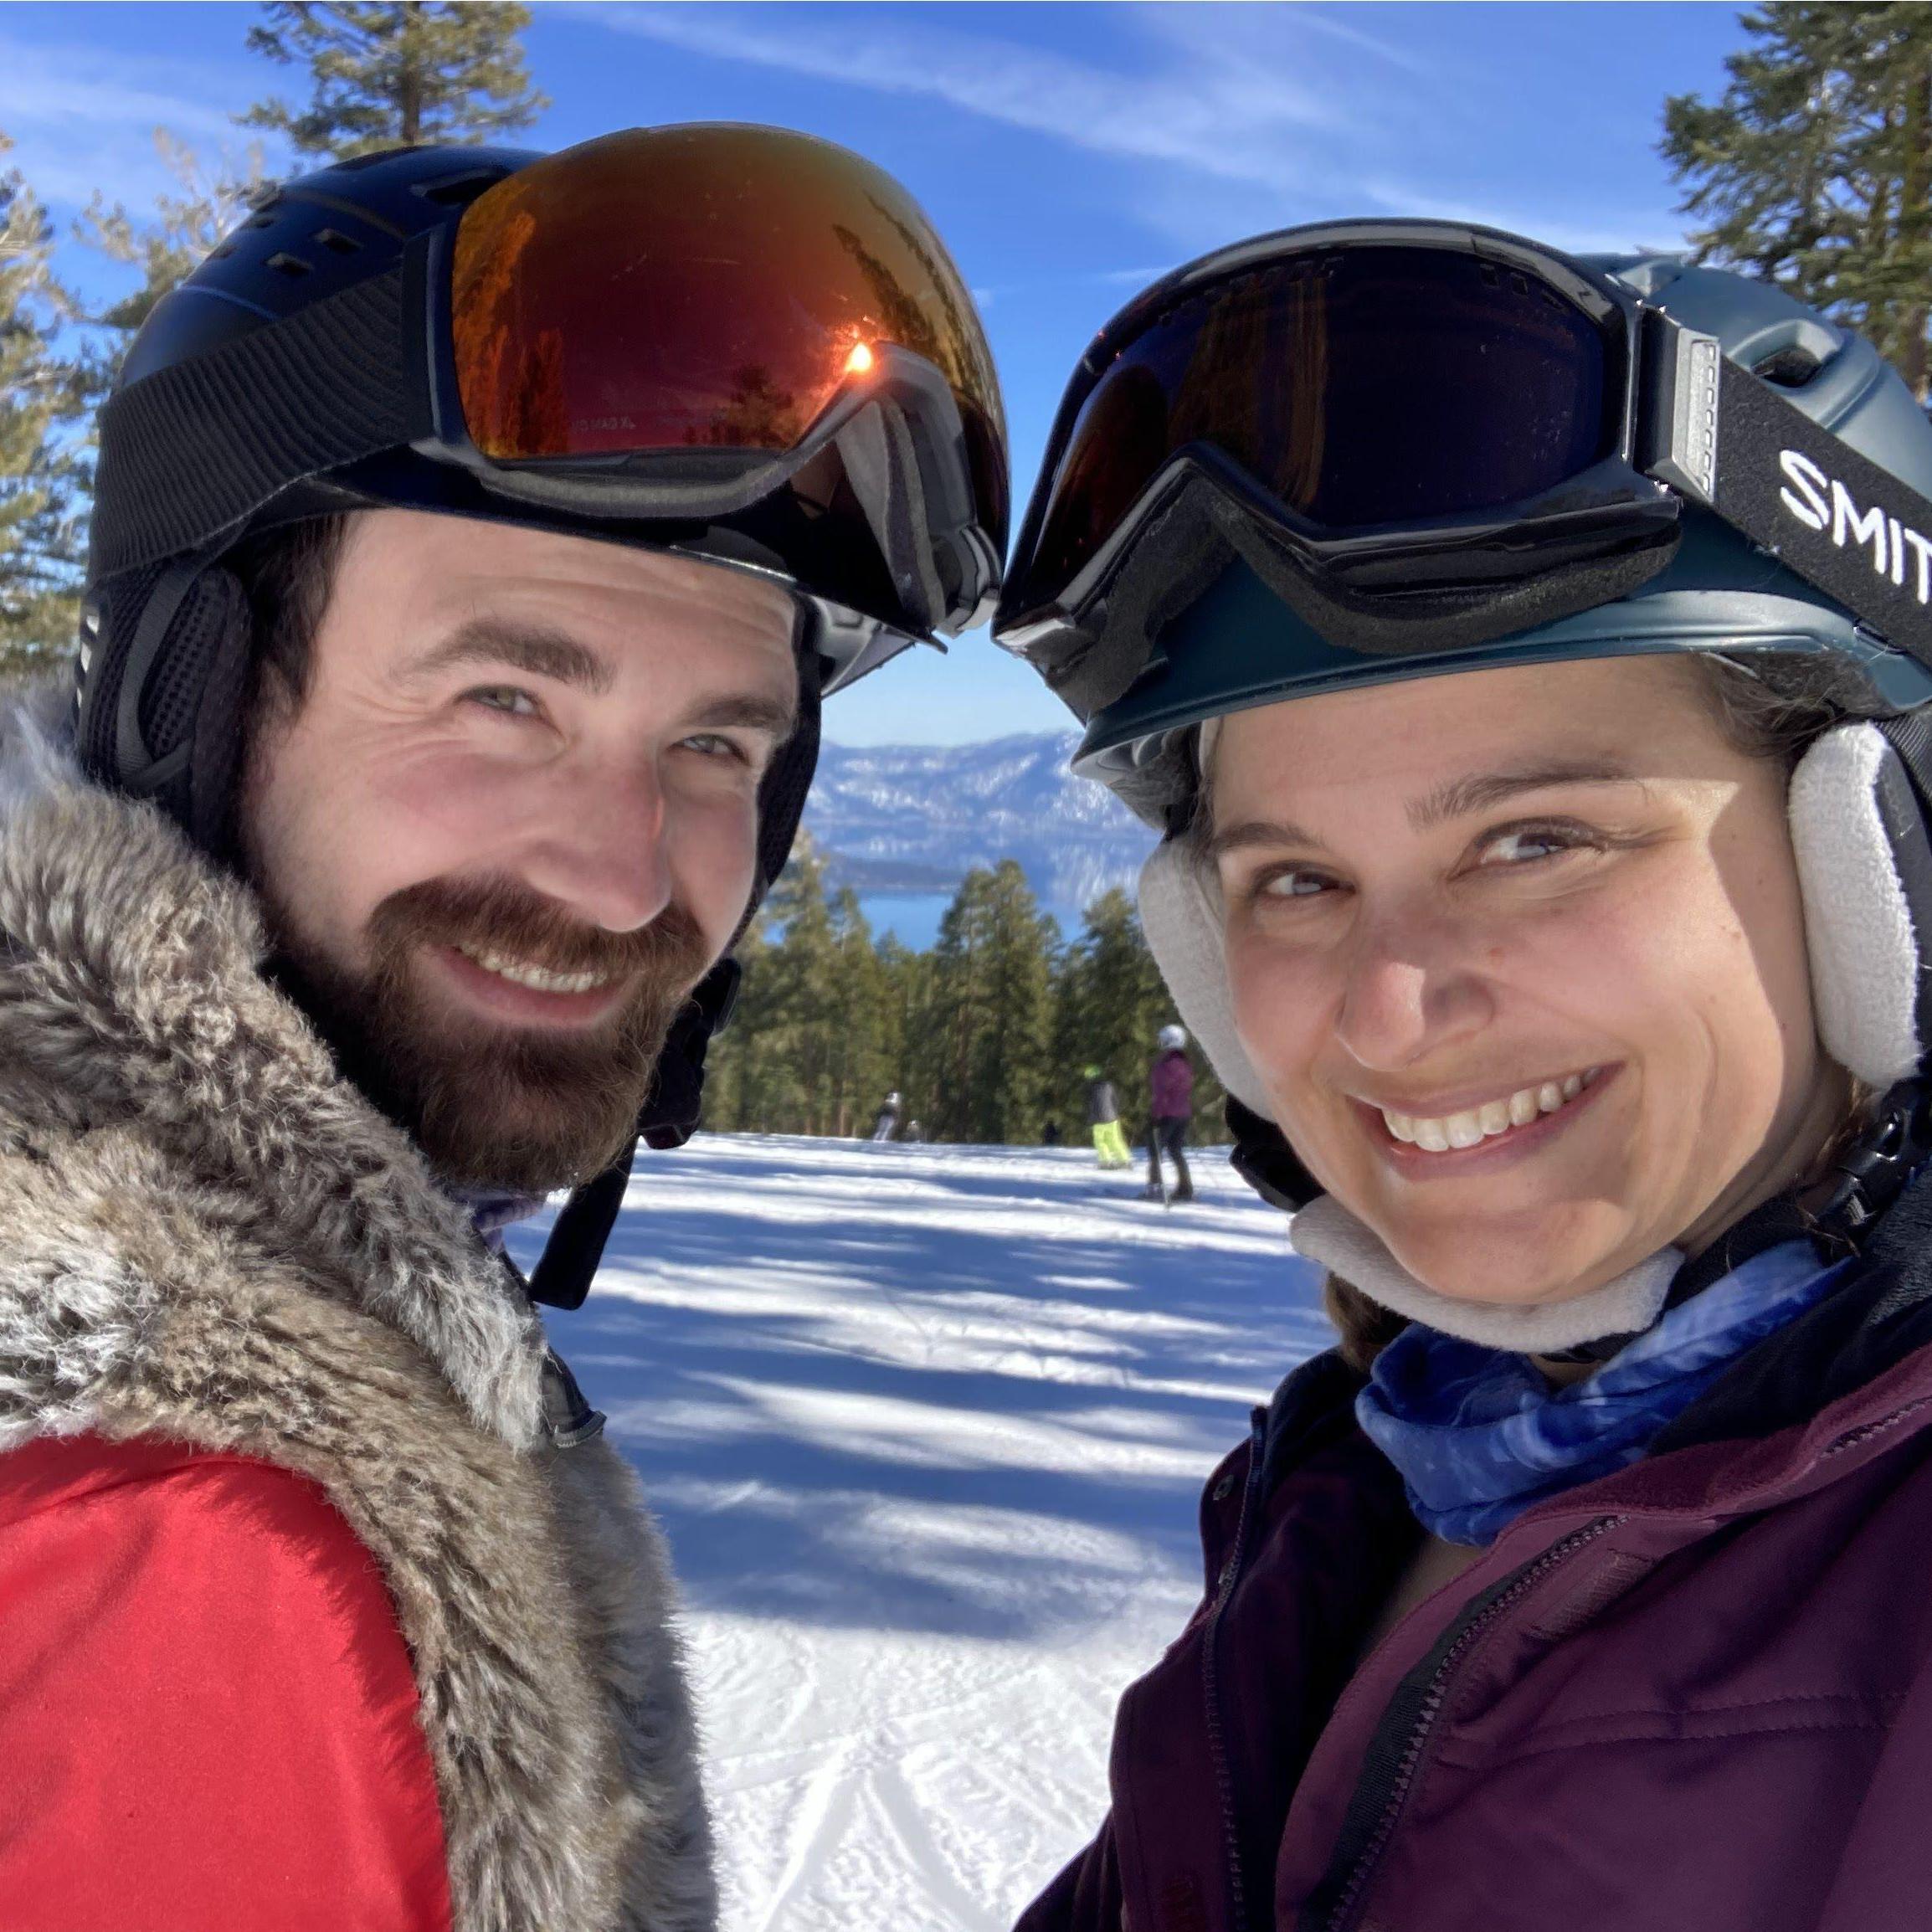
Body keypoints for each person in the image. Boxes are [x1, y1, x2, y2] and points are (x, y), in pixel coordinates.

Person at [0, 128, 1005, 1930]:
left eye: (714, 745)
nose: (627, 882)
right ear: (193, 701)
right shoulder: (162, 1549)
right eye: (504, 693)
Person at [994, 221, 1932, 1930]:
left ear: (1870, 856)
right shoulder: (1356, 1498)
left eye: (1532, 837)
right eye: (1293, 878)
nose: (1390, 1014)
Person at [1143, 1024, 1195, 1200]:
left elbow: (1161, 1092)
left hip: (1167, 1113)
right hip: (1183, 1112)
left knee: (1155, 1149)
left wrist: (1156, 1115)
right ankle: (1185, 1188)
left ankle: (1155, 1187)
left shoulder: (1165, 1065)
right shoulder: (1184, 1063)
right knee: (1175, 1150)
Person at [1084, 1062, 1132, 1168]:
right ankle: (1125, 1160)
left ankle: (1106, 1162)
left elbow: (1090, 1105)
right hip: (1113, 1118)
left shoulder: (1090, 1089)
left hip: (1098, 1120)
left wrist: (1089, 1119)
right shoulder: (1109, 1085)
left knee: (1100, 1141)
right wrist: (1116, 1113)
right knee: (1116, 1140)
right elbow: (1116, 1100)